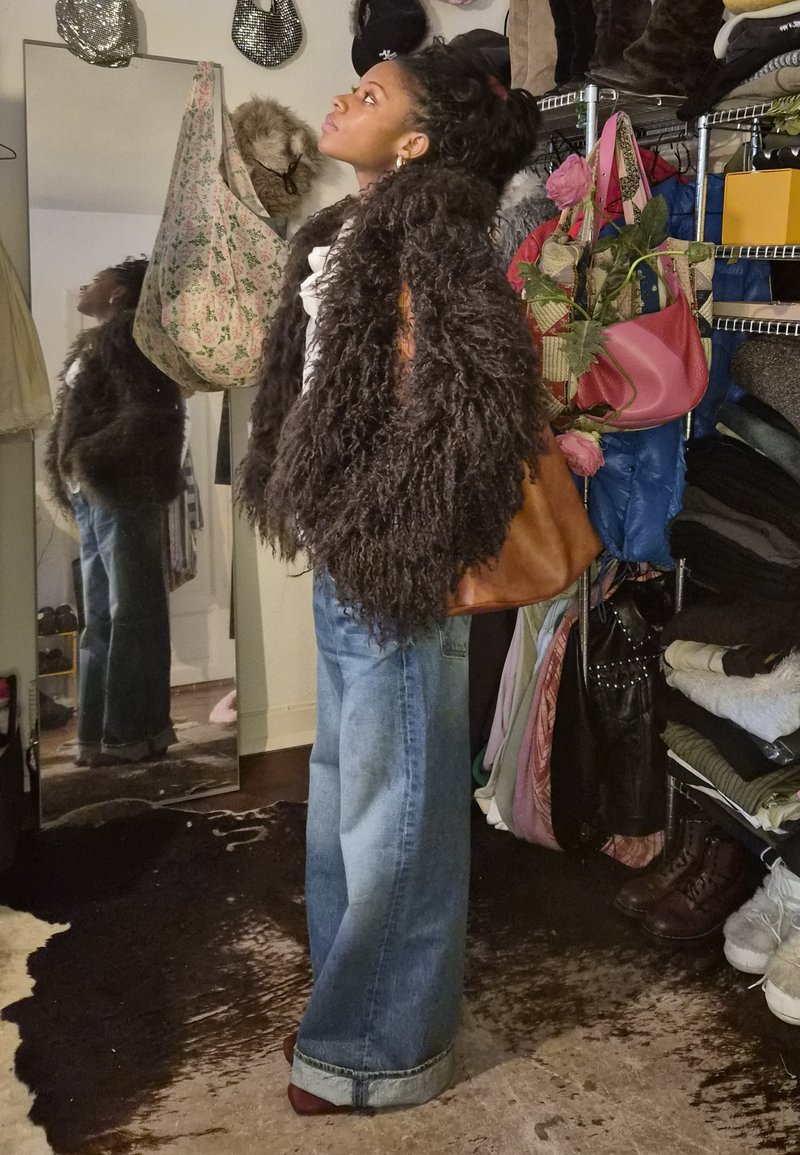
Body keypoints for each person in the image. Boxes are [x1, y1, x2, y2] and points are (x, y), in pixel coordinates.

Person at [239, 41, 550, 1114]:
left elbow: (483, 397)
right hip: (352, 552)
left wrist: (391, 531)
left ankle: (378, 1052)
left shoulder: (432, 223)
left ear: (413, 142)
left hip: (393, 560)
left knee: (394, 809)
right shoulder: (349, 228)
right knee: (343, 797)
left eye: (369, 95)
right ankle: (354, 1000)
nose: (342, 96)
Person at [45, 257, 185, 767]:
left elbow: (152, 412)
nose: (87, 282)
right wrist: (74, 472)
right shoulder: (97, 342)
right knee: (103, 616)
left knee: (130, 613)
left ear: (122, 293)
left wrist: (87, 458)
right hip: (95, 493)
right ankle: (104, 736)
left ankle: (133, 732)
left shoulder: (128, 334)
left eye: (98, 277)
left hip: (121, 488)